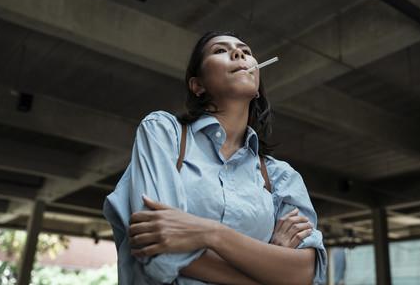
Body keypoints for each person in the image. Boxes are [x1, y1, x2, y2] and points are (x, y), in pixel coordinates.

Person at [104, 31, 327, 284]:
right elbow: (158, 251)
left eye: (246, 51)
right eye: (220, 50)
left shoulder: (281, 177)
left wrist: (212, 233)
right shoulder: (163, 132)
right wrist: (269, 267)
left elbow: (303, 274)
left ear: (257, 88)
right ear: (197, 85)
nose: (239, 53)